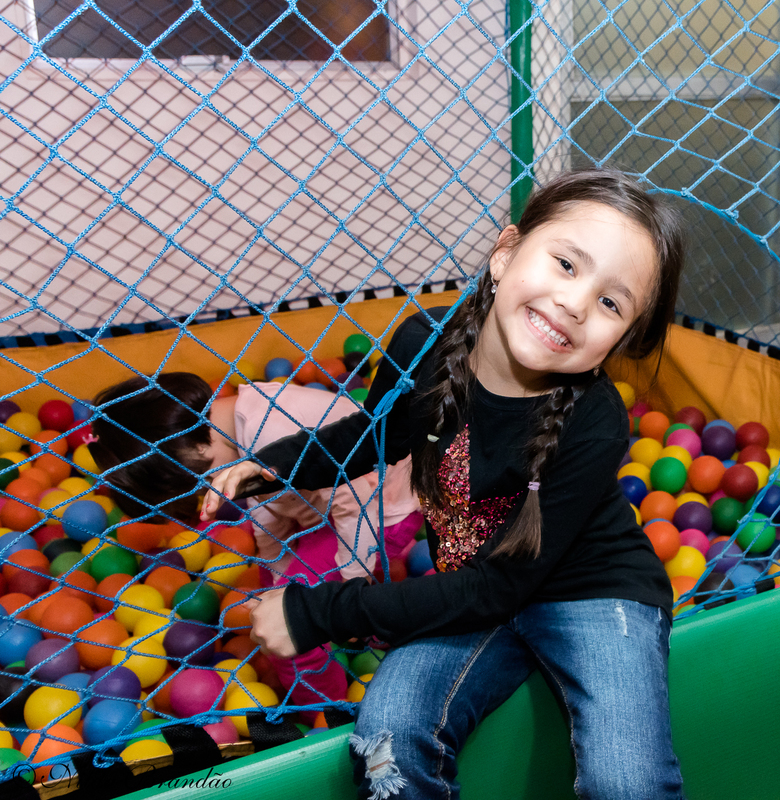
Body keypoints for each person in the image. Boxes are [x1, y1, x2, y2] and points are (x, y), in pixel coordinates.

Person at [200, 169, 687, 799]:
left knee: (625, 778)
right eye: (566, 264)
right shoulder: (423, 342)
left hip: (590, 592)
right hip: (474, 592)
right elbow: (375, 434)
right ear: (506, 253)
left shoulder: (594, 420)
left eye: (611, 303)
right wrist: (277, 464)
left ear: (622, 337)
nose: (575, 303)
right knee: (387, 739)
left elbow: (498, 586)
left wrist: (318, 612)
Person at [90, 373, 423, 720]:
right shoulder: (233, 425)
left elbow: (358, 503)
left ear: (198, 448)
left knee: (289, 625)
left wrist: (351, 586)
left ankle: (327, 717)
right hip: (330, 510)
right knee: (271, 593)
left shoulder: (274, 428)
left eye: (203, 484)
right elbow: (266, 502)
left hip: (383, 508)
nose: (210, 493)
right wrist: (276, 570)